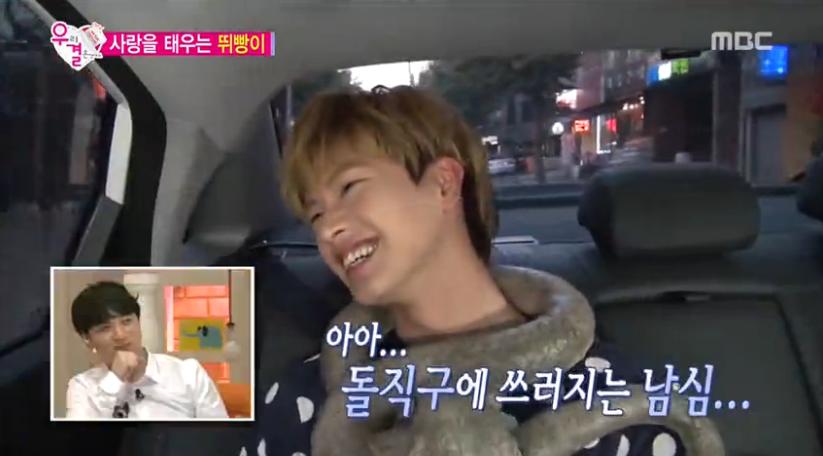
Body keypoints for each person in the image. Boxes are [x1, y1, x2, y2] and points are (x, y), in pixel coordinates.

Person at [248, 86, 723, 455]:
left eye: (350, 187)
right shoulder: (305, 400)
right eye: (315, 212)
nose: (327, 227)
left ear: (443, 184)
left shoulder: (625, 403)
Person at [66, 281, 228, 419]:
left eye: (127, 321)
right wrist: (114, 380)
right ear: (87, 338)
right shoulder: (83, 387)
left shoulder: (188, 373)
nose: (120, 335)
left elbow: (221, 437)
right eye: (105, 328)